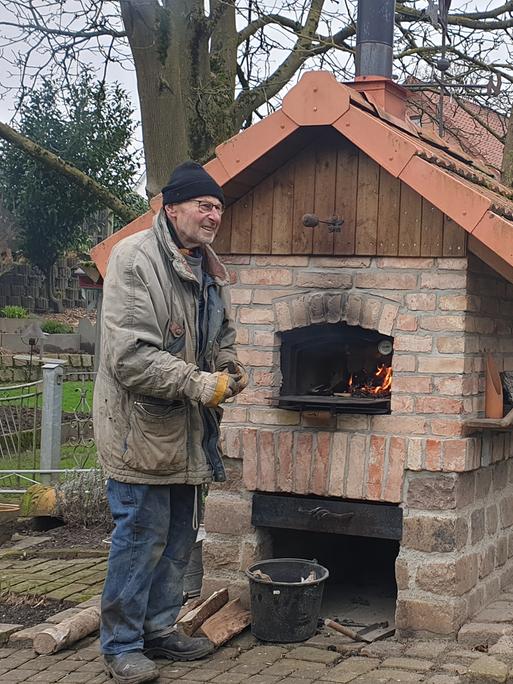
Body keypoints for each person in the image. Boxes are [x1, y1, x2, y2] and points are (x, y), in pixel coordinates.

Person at [93, 161, 247, 684]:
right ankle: (120, 645)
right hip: (141, 433)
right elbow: (131, 357)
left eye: (219, 207)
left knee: (179, 536)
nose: (213, 215)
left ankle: (158, 629)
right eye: (204, 205)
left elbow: (219, 339)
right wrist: (204, 385)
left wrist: (228, 368)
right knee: (140, 537)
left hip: (187, 434)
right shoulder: (134, 259)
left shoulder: (209, 270)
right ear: (172, 206)